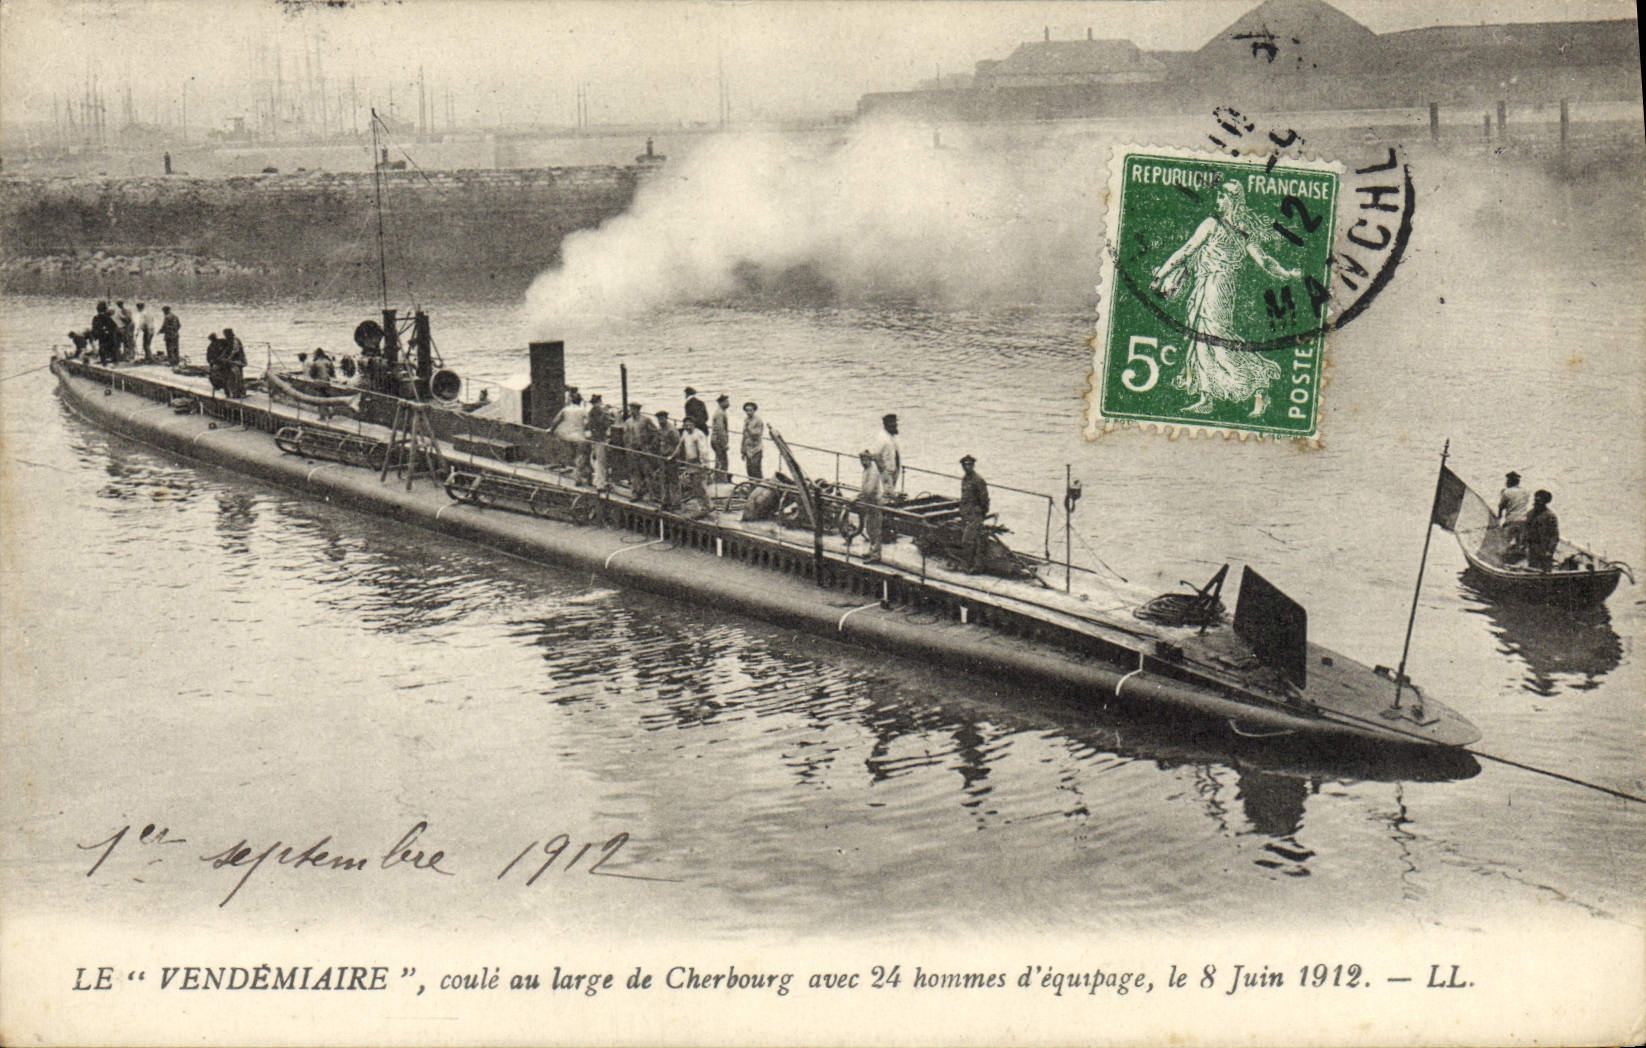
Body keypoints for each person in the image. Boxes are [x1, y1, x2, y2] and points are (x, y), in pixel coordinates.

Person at [1150, 180, 1300, 417]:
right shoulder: (1240, 229)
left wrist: (1161, 274)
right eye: (1218, 196)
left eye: (1222, 197)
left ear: (1233, 200)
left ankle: (1258, 383)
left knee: (1214, 337)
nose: (1218, 201)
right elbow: (1264, 261)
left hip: (1216, 286)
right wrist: (1286, 273)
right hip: (1213, 285)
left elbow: (1188, 249)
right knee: (1203, 338)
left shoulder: (1214, 224)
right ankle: (1206, 396)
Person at [957, 453, 990, 574]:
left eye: (970, 465)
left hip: (975, 515)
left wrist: (981, 515)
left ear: (973, 466)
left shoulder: (978, 480)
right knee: (970, 539)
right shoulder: (965, 479)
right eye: (965, 465)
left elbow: (984, 499)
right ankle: (972, 565)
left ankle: (968, 566)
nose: (967, 467)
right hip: (967, 514)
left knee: (967, 540)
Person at [548, 389, 589, 480]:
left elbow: (555, 421)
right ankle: (578, 475)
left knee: (568, 451)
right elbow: (589, 422)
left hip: (566, 435)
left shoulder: (565, 409)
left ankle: (565, 464)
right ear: (580, 401)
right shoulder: (582, 410)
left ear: (571, 400)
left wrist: (551, 430)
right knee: (581, 454)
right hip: (578, 436)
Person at [857, 449, 885, 563]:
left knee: (875, 529)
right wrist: (860, 495)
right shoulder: (866, 469)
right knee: (869, 528)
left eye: (865, 459)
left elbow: (870, 489)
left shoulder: (873, 471)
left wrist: (860, 497)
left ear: (870, 460)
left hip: (874, 502)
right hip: (869, 502)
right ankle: (872, 550)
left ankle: (876, 554)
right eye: (861, 460)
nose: (862, 462)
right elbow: (865, 488)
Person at [679, 416, 713, 510]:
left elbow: (703, 450)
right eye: (685, 425)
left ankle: (708, 505)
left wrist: (704, 463)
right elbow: (680, 446)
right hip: (689, 463)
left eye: (689, 425)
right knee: (694, 486)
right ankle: (702, 505)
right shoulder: (685, 434)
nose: (687, 427)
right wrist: (673, 456)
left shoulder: (699, 434)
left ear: (693, 425)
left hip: (698, 463)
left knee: (700, 485)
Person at [1497, 471, 1531, 559]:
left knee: (1505, 542)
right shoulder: (1525, 491)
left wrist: (1499, 517)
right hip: (1523, 520)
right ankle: (1520, 558)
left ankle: (1503, 559)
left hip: (1511, 520)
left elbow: (1501, 506)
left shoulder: (1507, 492)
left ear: (1509, 481)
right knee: (1520, 542)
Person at [1524, 489, 1560, 572]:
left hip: (1545, 548)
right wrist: (1525, 546)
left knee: (1545, 570)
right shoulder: (1530, 514)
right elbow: (1526, 531)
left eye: (1539, 501)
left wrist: (1550, 550)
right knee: (1532, 569)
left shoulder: (1550, 516)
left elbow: (1554, 536)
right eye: (1536, 500)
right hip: (1533, 548)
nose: (1536, 503)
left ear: (1544, 502)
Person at [654, 411, 683, 509]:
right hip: (663, 458)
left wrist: (673, 456)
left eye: (662, 418)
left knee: (673, 480)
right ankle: (665, 501)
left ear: (666, 418)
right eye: (659, 419)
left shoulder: (672, 430)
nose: (660, 421)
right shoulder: (660, 429)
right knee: (664, 480)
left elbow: (678, 445)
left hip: (671, 459)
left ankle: (676, 503)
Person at [586, 394, 614, 489]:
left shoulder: (591, 411)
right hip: (600, 438)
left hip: (594, 438)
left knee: (595, 459)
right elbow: (604, 423)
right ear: (599, 402)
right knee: (601, 461)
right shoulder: (599, 411)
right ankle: (600, 484)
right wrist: (607, 413)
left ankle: (596, 480)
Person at [872, 413, 903, 496]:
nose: (895, 426)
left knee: (892, 490)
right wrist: (883, 471)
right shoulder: (882, 437)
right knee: (888, 492)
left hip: (895, 468)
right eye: (892, 424)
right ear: (886, 425)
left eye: (895, 423)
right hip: (887, 470)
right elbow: (876, 455)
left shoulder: (893, 436)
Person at [741, 401, 766, 480]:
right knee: (749, 470)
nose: (748, 412)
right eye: (747, 411)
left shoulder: (758, 421)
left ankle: (759, 484)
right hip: (748, 449)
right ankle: (752, 484)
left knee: (756, 469)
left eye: (750, 410)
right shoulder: (746, 420)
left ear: (754, 410)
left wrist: (748, 428)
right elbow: (744, 436)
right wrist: (743, 451)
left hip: (756, 449)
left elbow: (756, 435)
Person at [710, 393, 732, 479]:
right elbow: (720, 430)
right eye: (726, 401)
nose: (728, 403)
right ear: (721, 403)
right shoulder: (719, 413)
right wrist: (724, 444)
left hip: (717, 440)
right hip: (718, 441)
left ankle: (719, 478)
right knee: (722, 461)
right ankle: (720, 479)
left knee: (720, 460)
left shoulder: (721, 412)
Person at [221, 327, 247, 397]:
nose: (225, 336)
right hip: (232, 361)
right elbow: (227, 350)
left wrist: (228, 359)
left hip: (238, 361)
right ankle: (235, 392)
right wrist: (222, 356)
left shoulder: (235, 340)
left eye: (226, 335)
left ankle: (240, 393)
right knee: (232, 377)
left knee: (237, 377)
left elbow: (235, 351)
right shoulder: (229, 341)